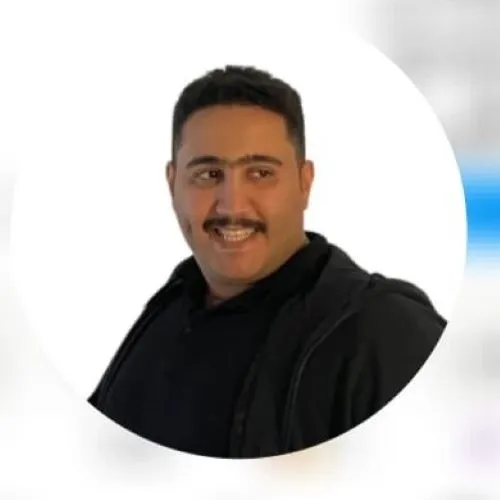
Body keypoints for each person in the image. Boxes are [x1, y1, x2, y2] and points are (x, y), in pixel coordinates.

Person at [88, 65, 446, 458]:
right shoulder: (165, 312)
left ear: (304, 183)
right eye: (208, 174)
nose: (232, 206)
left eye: (260, 173)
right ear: (173, 184)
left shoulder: (384, 331)